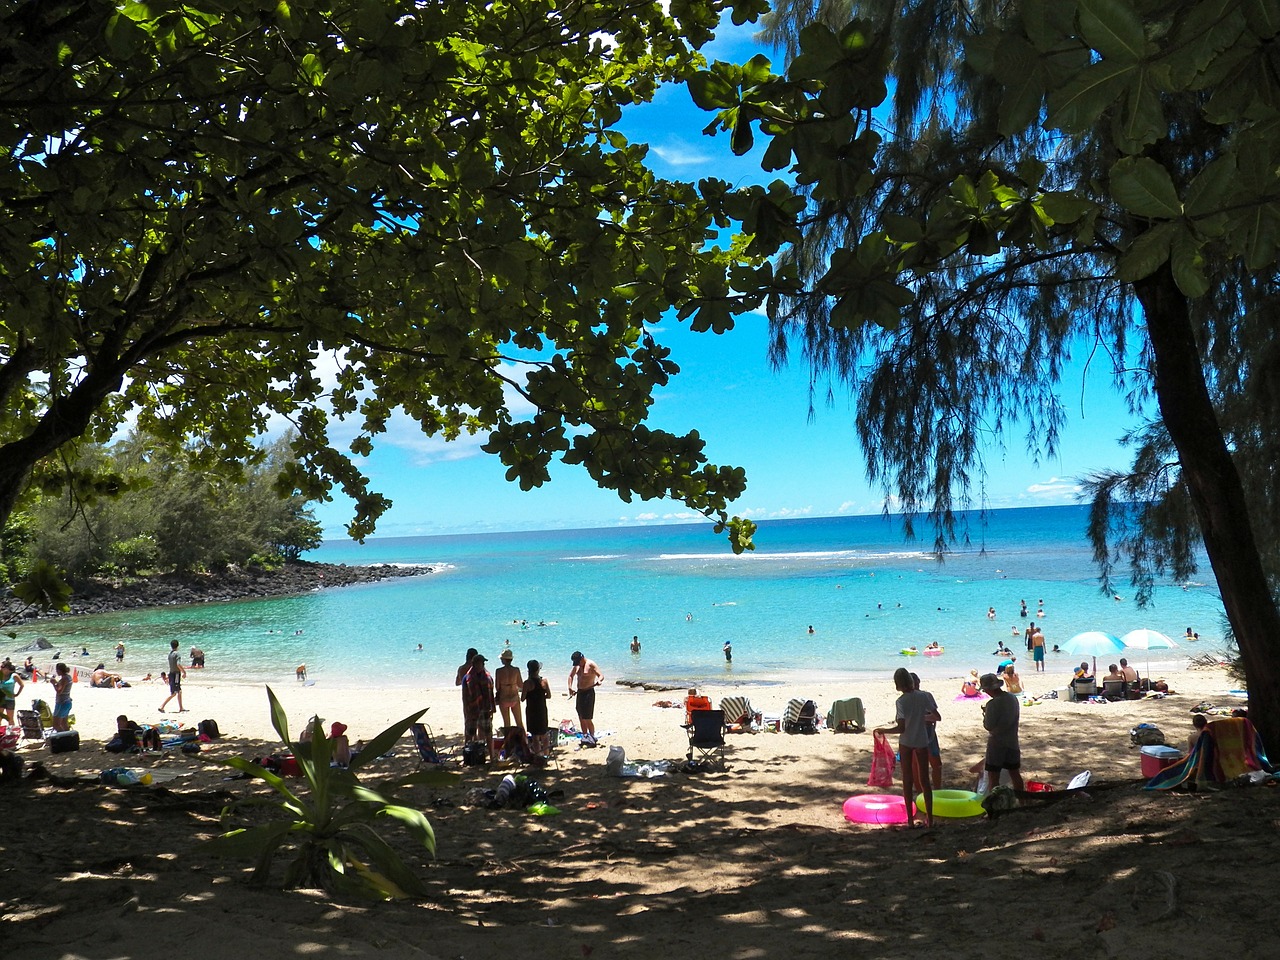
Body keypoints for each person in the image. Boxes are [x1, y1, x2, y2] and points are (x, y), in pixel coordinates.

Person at [873, 667, 939, 828]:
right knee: (925, 780)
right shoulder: (924, 696)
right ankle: (930, 818)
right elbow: (935, 715)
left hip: (907, 741)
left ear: (898, 684)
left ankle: (910, 820)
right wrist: (920, 718)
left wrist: (884, 730)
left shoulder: (901, 701)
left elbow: (901, 728)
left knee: (907, 779)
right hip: (922, 739)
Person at [979, 672, 1023, 792]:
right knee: (1015, 774)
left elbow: (988, 725)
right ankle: (1023, 800)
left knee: (993, 776)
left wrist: (985, 713)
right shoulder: (1012, 698)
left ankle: (995, 804)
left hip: (997, 744)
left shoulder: (993, 704)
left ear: (988, 689)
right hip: (1012, 741)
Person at [912, 672, 943, 790]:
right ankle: (920, 791)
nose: (916, 685)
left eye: (917, 682)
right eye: (914, 683)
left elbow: (937, 717)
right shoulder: (905, 699)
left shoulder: (926, 696)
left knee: (936, 764)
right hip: (914, 735)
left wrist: (921, 718)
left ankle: (937, 790)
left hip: (928, 734)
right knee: (916, 766)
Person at [461, 653, 496, 756]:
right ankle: (467, 756)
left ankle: (492, 756)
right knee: (469, 734)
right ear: (475, 664)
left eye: (483, 663)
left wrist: (491, 708)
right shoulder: (468, 678)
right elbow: (465, 696)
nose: (483, 665)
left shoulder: (487, 676)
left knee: (488, 733)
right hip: (472, 709)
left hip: (485, 709)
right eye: (481, 663)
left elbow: (490, 692)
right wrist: (466, 710)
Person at [568, 651, 604, 745]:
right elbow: (571, 676)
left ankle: (592, 737)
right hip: (580, 693)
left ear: (582, 658)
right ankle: (585, 736)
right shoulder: (577, 666)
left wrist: (599, 681)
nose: (578, 664)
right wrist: (570, 687)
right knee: (581, 716)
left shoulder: (591, 664)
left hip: (588, 692)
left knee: (587, 717)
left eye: (578, 662)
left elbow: (601, 675)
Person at [521, 659, 552, 756]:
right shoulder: (544, 681)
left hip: (532, 711)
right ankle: (546, 755)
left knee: (535, 737)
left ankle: (539, 756)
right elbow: (549, 695)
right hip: (542, 709)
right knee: (544, 734)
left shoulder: (527, 683)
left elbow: (522, 698)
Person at [494, 649, 524, 733]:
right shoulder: (516, 670)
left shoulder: (499, 671)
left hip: (504, 698)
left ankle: (508, 743)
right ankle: (524, 742)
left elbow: (497, 687)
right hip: (514, 697)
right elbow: (521, 685)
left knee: (506, 724)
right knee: (519, 722)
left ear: (503, 660)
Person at [455, 646, 479, 734]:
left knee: (468, 720)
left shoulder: (461, 668)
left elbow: (457, 682)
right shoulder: (477, 668)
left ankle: (468, 741)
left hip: (466, 696)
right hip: (476, 695)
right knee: (478, 720)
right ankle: (477, 741)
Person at [159, 639, 187, 713]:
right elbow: (178, 664)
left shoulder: (170, 654)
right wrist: (184, 671)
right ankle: (162, 706)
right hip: (176, 674)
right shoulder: (177, 654)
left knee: (179, 691)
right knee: (175, 692)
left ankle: (181, 708)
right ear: (178, 646)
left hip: (171, 674)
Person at [1, 660, 24, 727]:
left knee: (10, 718)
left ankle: (11, 733)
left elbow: (22, 685)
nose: (1, 669)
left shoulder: (14, 676)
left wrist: (17, 694)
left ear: (8, 668)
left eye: (3, 668)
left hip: (10, 699)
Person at [51, 662, 73, 732]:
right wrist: (56, 683)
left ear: (60, 670)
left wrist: (53, 683)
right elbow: (63, 688)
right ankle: (68, 738)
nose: (56, 672)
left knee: (56, 725)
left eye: (57, 670)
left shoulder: (64, 678)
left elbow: (59, 691)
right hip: (67, 701)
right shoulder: (68, 677)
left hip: (62, 703)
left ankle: (63, 739)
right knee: (64, 723)